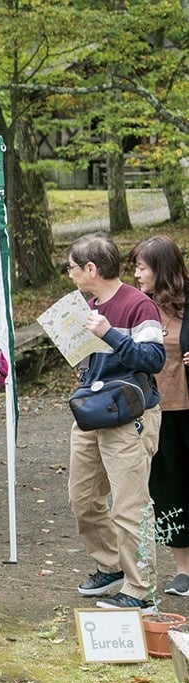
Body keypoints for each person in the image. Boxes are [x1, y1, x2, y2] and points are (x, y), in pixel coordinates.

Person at [60, 233, 164, 610]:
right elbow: (90, 361)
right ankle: (111, 565)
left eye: (72, 267)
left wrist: (109, 333)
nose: (69, 273)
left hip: (130, 415)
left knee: (130, 504)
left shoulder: (139, 306)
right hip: (91, 412)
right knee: (82, 498)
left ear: (91, 268)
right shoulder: (85, 306)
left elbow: (153, 360)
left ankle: (141, 590)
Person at [130, 235, 189, 596]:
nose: (136, 274)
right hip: (157, 410)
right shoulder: (140, 305)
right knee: (167, 489)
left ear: (162, 269)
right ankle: (184, 569)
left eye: (141, 267)